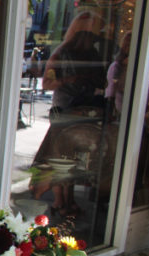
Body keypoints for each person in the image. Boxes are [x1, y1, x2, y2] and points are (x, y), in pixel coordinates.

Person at [29, 12, 108, 217]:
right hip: (65, 109)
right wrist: (70, 79)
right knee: (60, 155)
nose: (91, 41)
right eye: (89, 36)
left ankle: (68, 199)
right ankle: (59, 200)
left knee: (73, 160)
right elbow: (47, 83)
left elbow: (102, 81)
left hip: (84, 109)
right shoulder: (61, 53)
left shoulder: (92, 54)